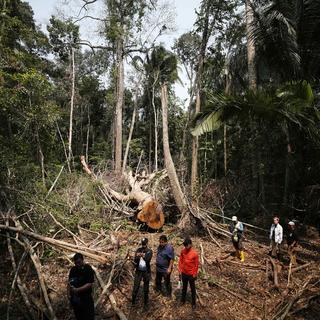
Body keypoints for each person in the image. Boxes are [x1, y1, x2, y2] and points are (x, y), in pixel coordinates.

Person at [68, 253, 95, 320]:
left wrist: (77, 290)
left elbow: (89, 283)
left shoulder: (88, 268)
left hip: (86, 298)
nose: (78, 264)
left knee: (89, 317)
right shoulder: (73, 270)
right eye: (76, 263)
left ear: (82, 260)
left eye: (79, 262)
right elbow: (69, 282)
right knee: (79, 317)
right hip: (76, 299)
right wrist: (68, 294)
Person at [131, 237, 153, 311]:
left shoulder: (149, 251)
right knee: (136, 286)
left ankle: (146, 303)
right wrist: (137, 256)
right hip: (138, 271)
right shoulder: (138, 250)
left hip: (146, 271)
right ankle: (133, 302)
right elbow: (135, 259)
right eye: (142, 244)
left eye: (144, 244)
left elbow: (148, 259)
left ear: (147, 243)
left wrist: (142, 255)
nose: (143, 245)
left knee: (146, 288)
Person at [178, 237, 199, 310]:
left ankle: (193, 303)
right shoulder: (183, 251)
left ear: (190, 244)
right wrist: (180, 270)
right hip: (184, 273)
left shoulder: (194, 254)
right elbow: (180, 261)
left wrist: (194, 274)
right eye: (185, 245)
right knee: (184, 288)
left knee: (192, 289)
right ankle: (182, 300)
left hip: (191, 274)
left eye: (187, 245)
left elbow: (196, 265)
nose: (186, 246)